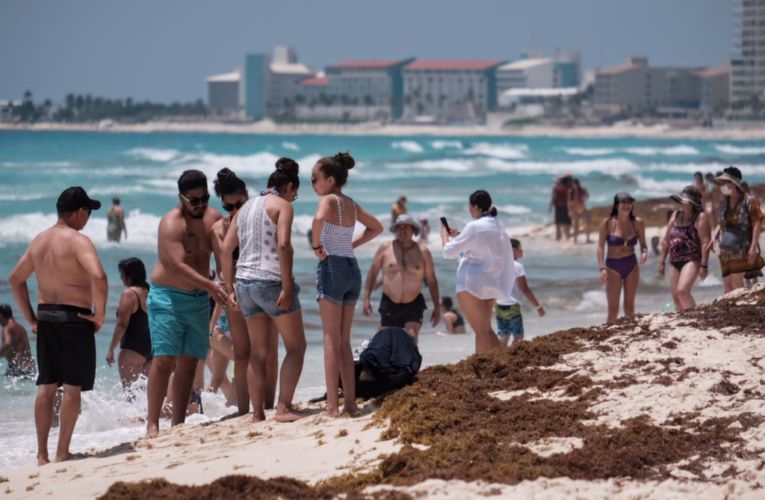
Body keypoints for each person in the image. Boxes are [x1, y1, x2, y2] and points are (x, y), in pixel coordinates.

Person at [8, 186, 107, 465]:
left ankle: (41, 455)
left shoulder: (39, 241)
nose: (88, 218)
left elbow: (15, 279)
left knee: (47, 385)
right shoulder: (79, 241)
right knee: (72, 388)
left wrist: (30, 318)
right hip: (74, 320)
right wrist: (99, 316)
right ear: (78, 212)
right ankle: (62, 452)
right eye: (88, 211)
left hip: (47, 318)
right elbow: (99, 277)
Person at [222, 158, 307, 423]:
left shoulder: (245, 208)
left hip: (244, 284)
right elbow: (284, 246)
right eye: (295, 193)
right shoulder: (282, 206)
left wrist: (230, 287)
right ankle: (282, 408)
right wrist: (287, 285)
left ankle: (257, 414)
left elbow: (226, 249)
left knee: (257, 353)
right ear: (289, 186)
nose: (294, 198)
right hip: (271, 282)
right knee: (296, 347)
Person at [145, 170, 226, 438]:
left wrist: (226, 280)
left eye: (205, 198)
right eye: (194, 200)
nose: (201, 204)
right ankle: (152, 424)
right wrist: (212, 285)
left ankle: (177, 423)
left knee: (191, 363)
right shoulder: (171, 224)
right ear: (181, 197)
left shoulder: (213, 218)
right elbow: (177, 266)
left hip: (199, 298)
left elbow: (224, 254)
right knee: (164, 360)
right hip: (168, 297)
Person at [312, 152, 383, 417]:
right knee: (343, 340)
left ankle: (332, 406)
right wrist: (351, 244)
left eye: (314, 179)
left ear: (329, 180)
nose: (312, 184)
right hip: (352, 269)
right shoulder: (351, 204)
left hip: (333, 268)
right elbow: (377, 227)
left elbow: (318, 220)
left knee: (331, 339)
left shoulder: (328, 200)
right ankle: (350, 403)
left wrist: (317, 246)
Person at [209, 167, 280, 416]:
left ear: (247, 195)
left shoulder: (261, 218)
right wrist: (229, 292)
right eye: (228, 207)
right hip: (236, 290)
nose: (234, 210)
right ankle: (242, 410)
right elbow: (221, 266)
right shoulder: (218, 229)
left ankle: (270, 408)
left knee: (269, 352)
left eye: (239, 203)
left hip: (263, 285)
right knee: (242, 353)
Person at [441, 190, 515, 354]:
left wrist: (444, 236)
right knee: (487, 329)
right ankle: (501, 363)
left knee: (481, 332)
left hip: (471, 283)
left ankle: (481, 370)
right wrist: (459, 235)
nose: (469, 209)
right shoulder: (497, 224)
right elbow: (483, 242)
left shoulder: (474, 226)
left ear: (475, 206)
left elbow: (449, 252)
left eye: (469, 206)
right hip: (491, 283)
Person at [363, 214, 439, 344]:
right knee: (387, 343)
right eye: (399, 228)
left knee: (411, 338)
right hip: (389, 302)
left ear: (413, 230)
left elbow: (431, 280)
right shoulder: (385, 248)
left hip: (413, 302)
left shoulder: (423, 252)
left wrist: (437, 307)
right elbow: (372, 274)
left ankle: (411, 365)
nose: (402, 231)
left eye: (406, 228)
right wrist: (366, 299)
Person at [706, 167, 764, 293]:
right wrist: (714, 237)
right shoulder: (725, 200)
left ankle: (742, 311)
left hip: (742, 248)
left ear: (732, 184)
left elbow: (756, 223)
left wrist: (754, 246)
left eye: (724, 182)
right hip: (726, 249)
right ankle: (730, 312)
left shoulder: (748, 200)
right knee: (728, 288)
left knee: (737, 286)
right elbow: (721, 221)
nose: (722, 186)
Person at [596, 192, 648, 324]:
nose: (627, 205)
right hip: (613, 267)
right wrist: (602, 268)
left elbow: (643, 245)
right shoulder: (607, 223)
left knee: (629, 308)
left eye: (629, 202)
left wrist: (644, 253)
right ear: (617, 204)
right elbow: (600, 248)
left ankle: (631, 336)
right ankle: (607, 338)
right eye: (623, 202)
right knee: (613, 311)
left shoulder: (637, 222)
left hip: (632, 266)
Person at [658, 187, 711, 312]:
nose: (681, 202)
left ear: (692, 203)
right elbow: (666, 240)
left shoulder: (700, 218)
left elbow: (705, 243)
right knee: (676, 297)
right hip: (674, 260)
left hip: (691, 259)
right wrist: (661, 262)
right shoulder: (675, 215)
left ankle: (696, 318)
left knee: (682, 291)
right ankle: (686, 322)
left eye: (684, 200)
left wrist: (704, 265)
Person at [106, 258, 152, 399]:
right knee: (147, 396)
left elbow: (122, 325)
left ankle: (135, 421)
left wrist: (111, 349)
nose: (121, 278)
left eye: (123, 274)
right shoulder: (151, 291)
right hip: (152, 349)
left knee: (132, 396)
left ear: (129, 275)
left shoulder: (129, 294)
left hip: (132, 350)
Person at [494, 239, 546, 346]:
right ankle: (512, 356)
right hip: (512, 305)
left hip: (498, 304)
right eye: (520, 248)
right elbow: (525, 289)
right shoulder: (517, 266)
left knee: (503, 336)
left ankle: (499, 357)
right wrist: (538, 307)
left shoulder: (498, 264)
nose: (522, 250)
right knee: (518, 336)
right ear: (514, 250)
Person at [0, 304, 35, 379]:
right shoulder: (21, 328)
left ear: (1, 316)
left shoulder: (7, 328)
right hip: (30, 368)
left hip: (17, 368)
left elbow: (7, 344)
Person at [569, 178, 592, 244]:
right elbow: (569, 202)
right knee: (576, 225)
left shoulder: (582, 189)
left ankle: (588, 239)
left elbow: (587, 197)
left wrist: (583, 198)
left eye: (573, 184)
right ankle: (575, 240)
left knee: (588, 223)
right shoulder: (571, 192)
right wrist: (569, 211)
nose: (572, 185)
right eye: (571, 184)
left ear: (576, 184)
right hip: (575, 210)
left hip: (583, 209)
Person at [549, 175, 572, 241]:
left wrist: (550, 206)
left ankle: (558, 236)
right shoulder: (567, 188)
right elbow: (569, 199)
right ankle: (567, 237)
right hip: (566, 207)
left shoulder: (557, 189)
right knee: (566, 222)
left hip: (558, 207)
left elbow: (554, 198)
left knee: (558, 222)